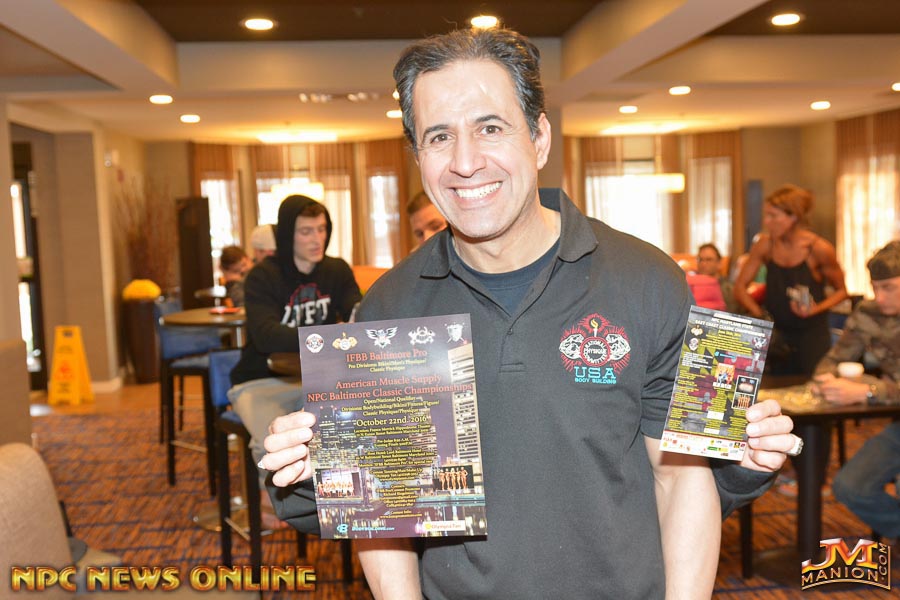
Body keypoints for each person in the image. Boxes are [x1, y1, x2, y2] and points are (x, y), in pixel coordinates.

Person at [259, 29, 798, 599]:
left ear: (539, 139)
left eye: (490, 128)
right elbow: (389, 515)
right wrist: (315, 469)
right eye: (439, 137)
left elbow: (683, 478)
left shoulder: (654, 279)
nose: (466, 162)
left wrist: (740, 459)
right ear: (418, 156)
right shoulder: (387, 308)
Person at [229, 195, 361, 491]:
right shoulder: (262, 276)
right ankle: (273, 506)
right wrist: (331, 336)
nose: (317, 239)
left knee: (351, 435)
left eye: (322, 229)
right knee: (273, 445)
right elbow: (266, 335)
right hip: (262, 380)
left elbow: (357, 312)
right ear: (289, 234)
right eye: (306, 231)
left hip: (319, 380)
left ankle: (334, 503)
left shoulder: (337, 270)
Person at [813, 241, 900, 542]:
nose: (880, 296)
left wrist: (868, 392)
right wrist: (825, 378)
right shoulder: (869, 314)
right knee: (850, 486)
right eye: (875, 288)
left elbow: (872, 390)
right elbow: (833, 359)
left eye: (889, 287)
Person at [734, 184, 848, 376]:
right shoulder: (765, 245)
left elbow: (842, 291)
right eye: (766, 215)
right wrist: (761, 316)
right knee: (771, 390)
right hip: (776, 336)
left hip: (812, 337)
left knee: (813, 389)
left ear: (793, 217)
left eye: (773, 216)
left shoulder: (819, 249)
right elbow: (739, 288)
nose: (766, 222)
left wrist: (816, 309)